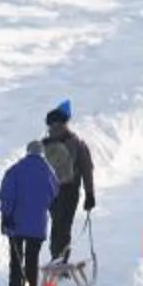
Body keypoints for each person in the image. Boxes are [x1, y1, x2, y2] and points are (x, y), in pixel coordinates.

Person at [0, 138, 58, 286]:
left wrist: (6, 216)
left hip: (15, 224)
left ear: (28, 152)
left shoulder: (15, 170)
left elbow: (6, 196)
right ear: (42, 153)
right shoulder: (47, 171)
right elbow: (54, 193)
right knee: (32, 260)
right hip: (37, 224)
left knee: (16, 259)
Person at [41, 101, 96, 270]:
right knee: (65, 226)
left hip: (50, 191)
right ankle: (61, 261)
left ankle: (55, 256)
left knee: (56, 224)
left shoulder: (45, 144)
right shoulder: (77, 143)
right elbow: (87, 169)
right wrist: (89, 194)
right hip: (70, 189)